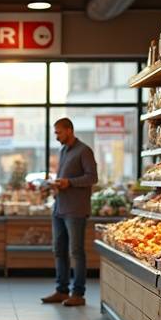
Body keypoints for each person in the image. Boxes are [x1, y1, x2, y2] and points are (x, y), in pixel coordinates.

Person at [42, 117, 98, 307]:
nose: (56, 136)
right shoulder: (63, 150)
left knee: (76, 251)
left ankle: (78, 293)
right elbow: (64, 179)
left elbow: (92, 177)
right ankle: (61, 290)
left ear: (69, 130)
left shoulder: (84, 151)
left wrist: (70, 182)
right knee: (59, 250)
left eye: (58, 132)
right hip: (59, 207)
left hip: (76, 210)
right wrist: (54, 185)